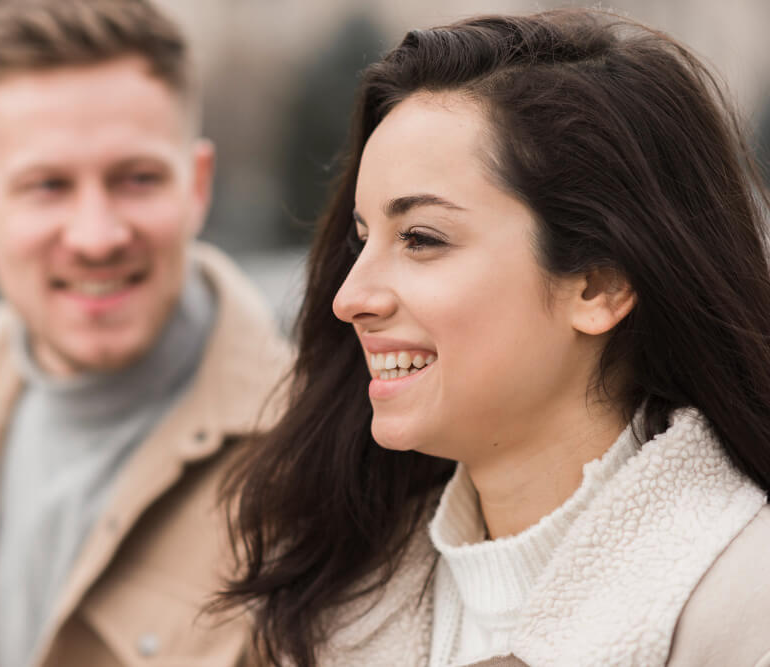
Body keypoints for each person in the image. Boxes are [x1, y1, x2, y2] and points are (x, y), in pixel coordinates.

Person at [219, 9, 770, 667]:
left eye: (421, 238)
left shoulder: (744, 603)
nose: (349, 297)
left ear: (598, 286)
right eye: (362, 240)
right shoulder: (324, 605)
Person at [0, 1, 290, 665]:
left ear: (197, 185)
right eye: (47, 186)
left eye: (137, 179)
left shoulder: (306, 454)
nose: (97, 236)